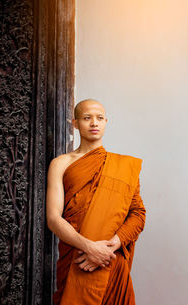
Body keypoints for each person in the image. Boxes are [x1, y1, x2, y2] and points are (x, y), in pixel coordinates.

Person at [46, 99, 146, 305]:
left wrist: (110, 247)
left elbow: (138, 215)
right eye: (86, 118)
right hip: (78, 259)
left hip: (110, 261)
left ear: (106, 122)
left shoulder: (123, 167)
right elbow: (53, 219)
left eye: (99, 118)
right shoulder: (60, 164)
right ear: (74, 123)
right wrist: (90, 248)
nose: (94, 123)